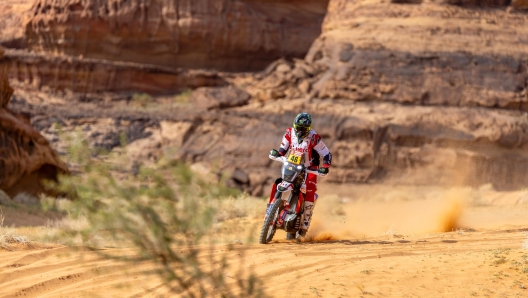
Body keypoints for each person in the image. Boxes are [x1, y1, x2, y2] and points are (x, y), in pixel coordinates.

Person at [268, 112, 332, 238]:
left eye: (303, 129)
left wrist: (325, 167)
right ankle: (270, 211)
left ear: (309, 128)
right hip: (292, 166)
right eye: (298, 127)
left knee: (309, 191)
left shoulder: (315, 138)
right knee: (277, 183)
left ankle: (305, 223)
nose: (300, 130)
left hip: (310, 169)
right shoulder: (289, 133)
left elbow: (326, 154)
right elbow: (282, 150)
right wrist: (277, 154)